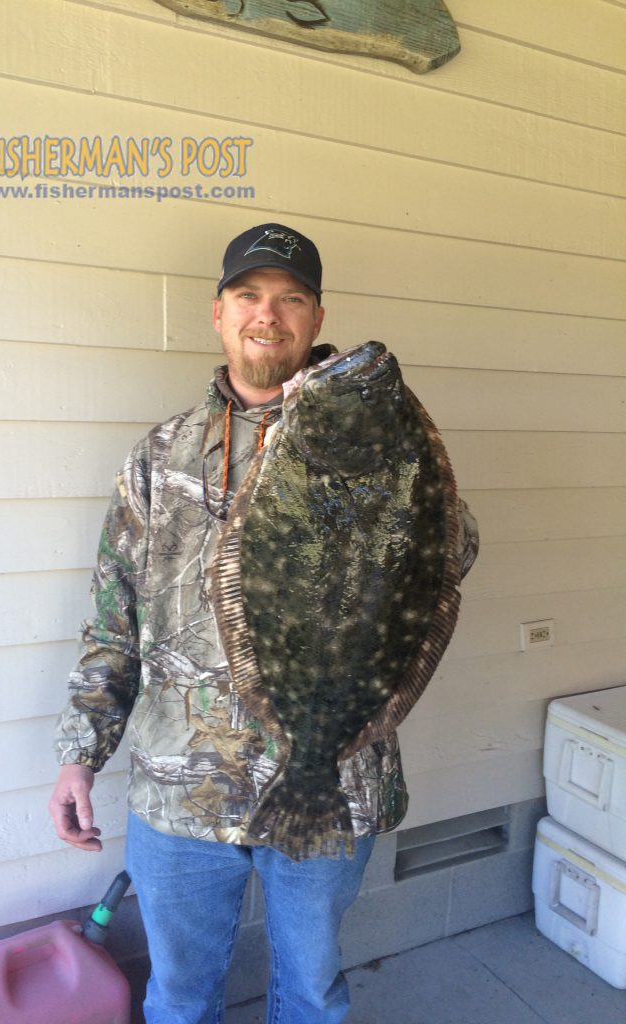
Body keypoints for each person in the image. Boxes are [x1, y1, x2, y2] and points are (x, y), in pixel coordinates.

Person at [49, 223, 479, 1024]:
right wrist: (82, 754)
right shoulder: (159, 458)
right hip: (182, 785)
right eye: (249, 296)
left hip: (333, 778)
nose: (267, 316)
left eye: (291, 299)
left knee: (313, 993)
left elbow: (444, 564)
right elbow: (114, 615)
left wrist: (401, 480)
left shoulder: (383, 444)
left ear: (316, 319)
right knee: (179, 995)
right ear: (219, 313)